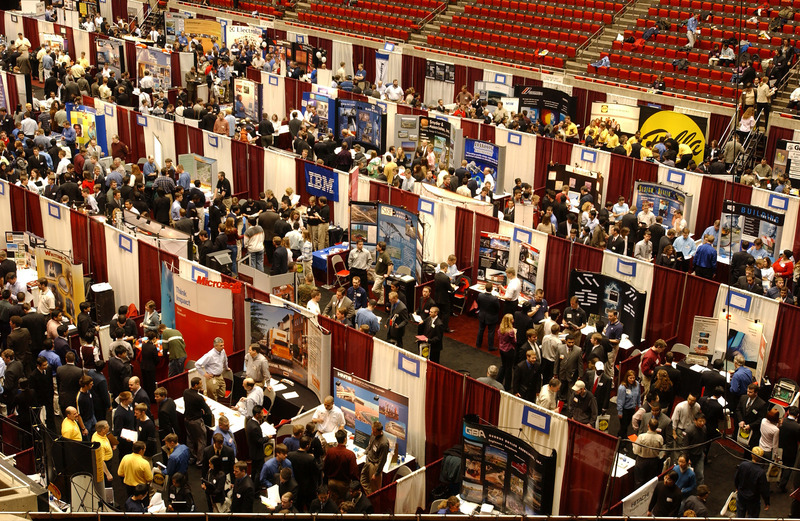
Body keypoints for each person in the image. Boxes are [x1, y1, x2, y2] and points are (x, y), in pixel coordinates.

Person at [184, 377, 213, 465]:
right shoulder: (198, 398)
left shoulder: (185, 392)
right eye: (200, 383)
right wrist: (202, 411)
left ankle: (192, 457)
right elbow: (208, 411)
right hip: (196, 422)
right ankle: (200, 461)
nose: (202, 384)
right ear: (196, 385)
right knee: (202, 441)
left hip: (187, 419)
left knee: (190, 439)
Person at [735, 446, 770, 517]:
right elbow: (764, 489)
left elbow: (736, 477)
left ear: (751, 455)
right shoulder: (761, 472)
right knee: (752, 517)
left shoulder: (743, 465)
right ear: (761, 458)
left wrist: (737, 487)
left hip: (741, 495)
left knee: (740, 515)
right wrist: (767, 502)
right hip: (753, 499)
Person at [634, 418, 665, 487]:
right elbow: (660, 450)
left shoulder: (642, 437)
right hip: (654, 462)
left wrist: (634, 445)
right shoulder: (660, 438)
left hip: (641, 461)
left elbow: (636, 451)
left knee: (639, 483)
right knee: (650, 483)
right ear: (657, 427)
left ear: (648, 426)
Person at [360, 421, 390, 494]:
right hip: (368, 461)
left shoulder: (384, 443)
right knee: (363, 480)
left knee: (374, 489)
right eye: (372, 431)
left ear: (380, 431)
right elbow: (370, 445)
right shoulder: (373, 434)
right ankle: (369, 496)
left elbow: (382, 460)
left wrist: (376, 473)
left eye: (375, 432)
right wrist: (365, 452)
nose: (373, 433)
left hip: (375, 466)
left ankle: (372, 500)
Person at [736, 383, 767, 449]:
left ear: (756, 393)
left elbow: (761, 419)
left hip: (753, 430)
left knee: (749, 448)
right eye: (747, 391)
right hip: (742, 426)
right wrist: (741, 420)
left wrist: (750, 425)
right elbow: (738, 410)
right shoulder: (743, 397)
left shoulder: (761, 404)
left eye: (750, 392)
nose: (748, 393)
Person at [476, 282, 501, 350]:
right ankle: (490, 347)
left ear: (485, 288)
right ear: (492, 289)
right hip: (491, 317)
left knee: (480, 330)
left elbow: (478, 303)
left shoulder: (480, 295)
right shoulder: (494, 299)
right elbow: (498, 308)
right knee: (491, 332)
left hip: (482, 315)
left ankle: (478, 344)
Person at [617, 370, 641, 439]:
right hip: (625, 410)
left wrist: (639, 405)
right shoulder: (622, 387)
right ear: (627, 378)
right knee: (624, 426)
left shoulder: (637, 384)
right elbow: (620, 400)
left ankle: (619, 436)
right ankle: (622, 441)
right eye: (630, 378)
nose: (632, 380)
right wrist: (620, 412)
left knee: (626, 425)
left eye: (633, 378)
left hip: (632, 409)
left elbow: (638, 395)